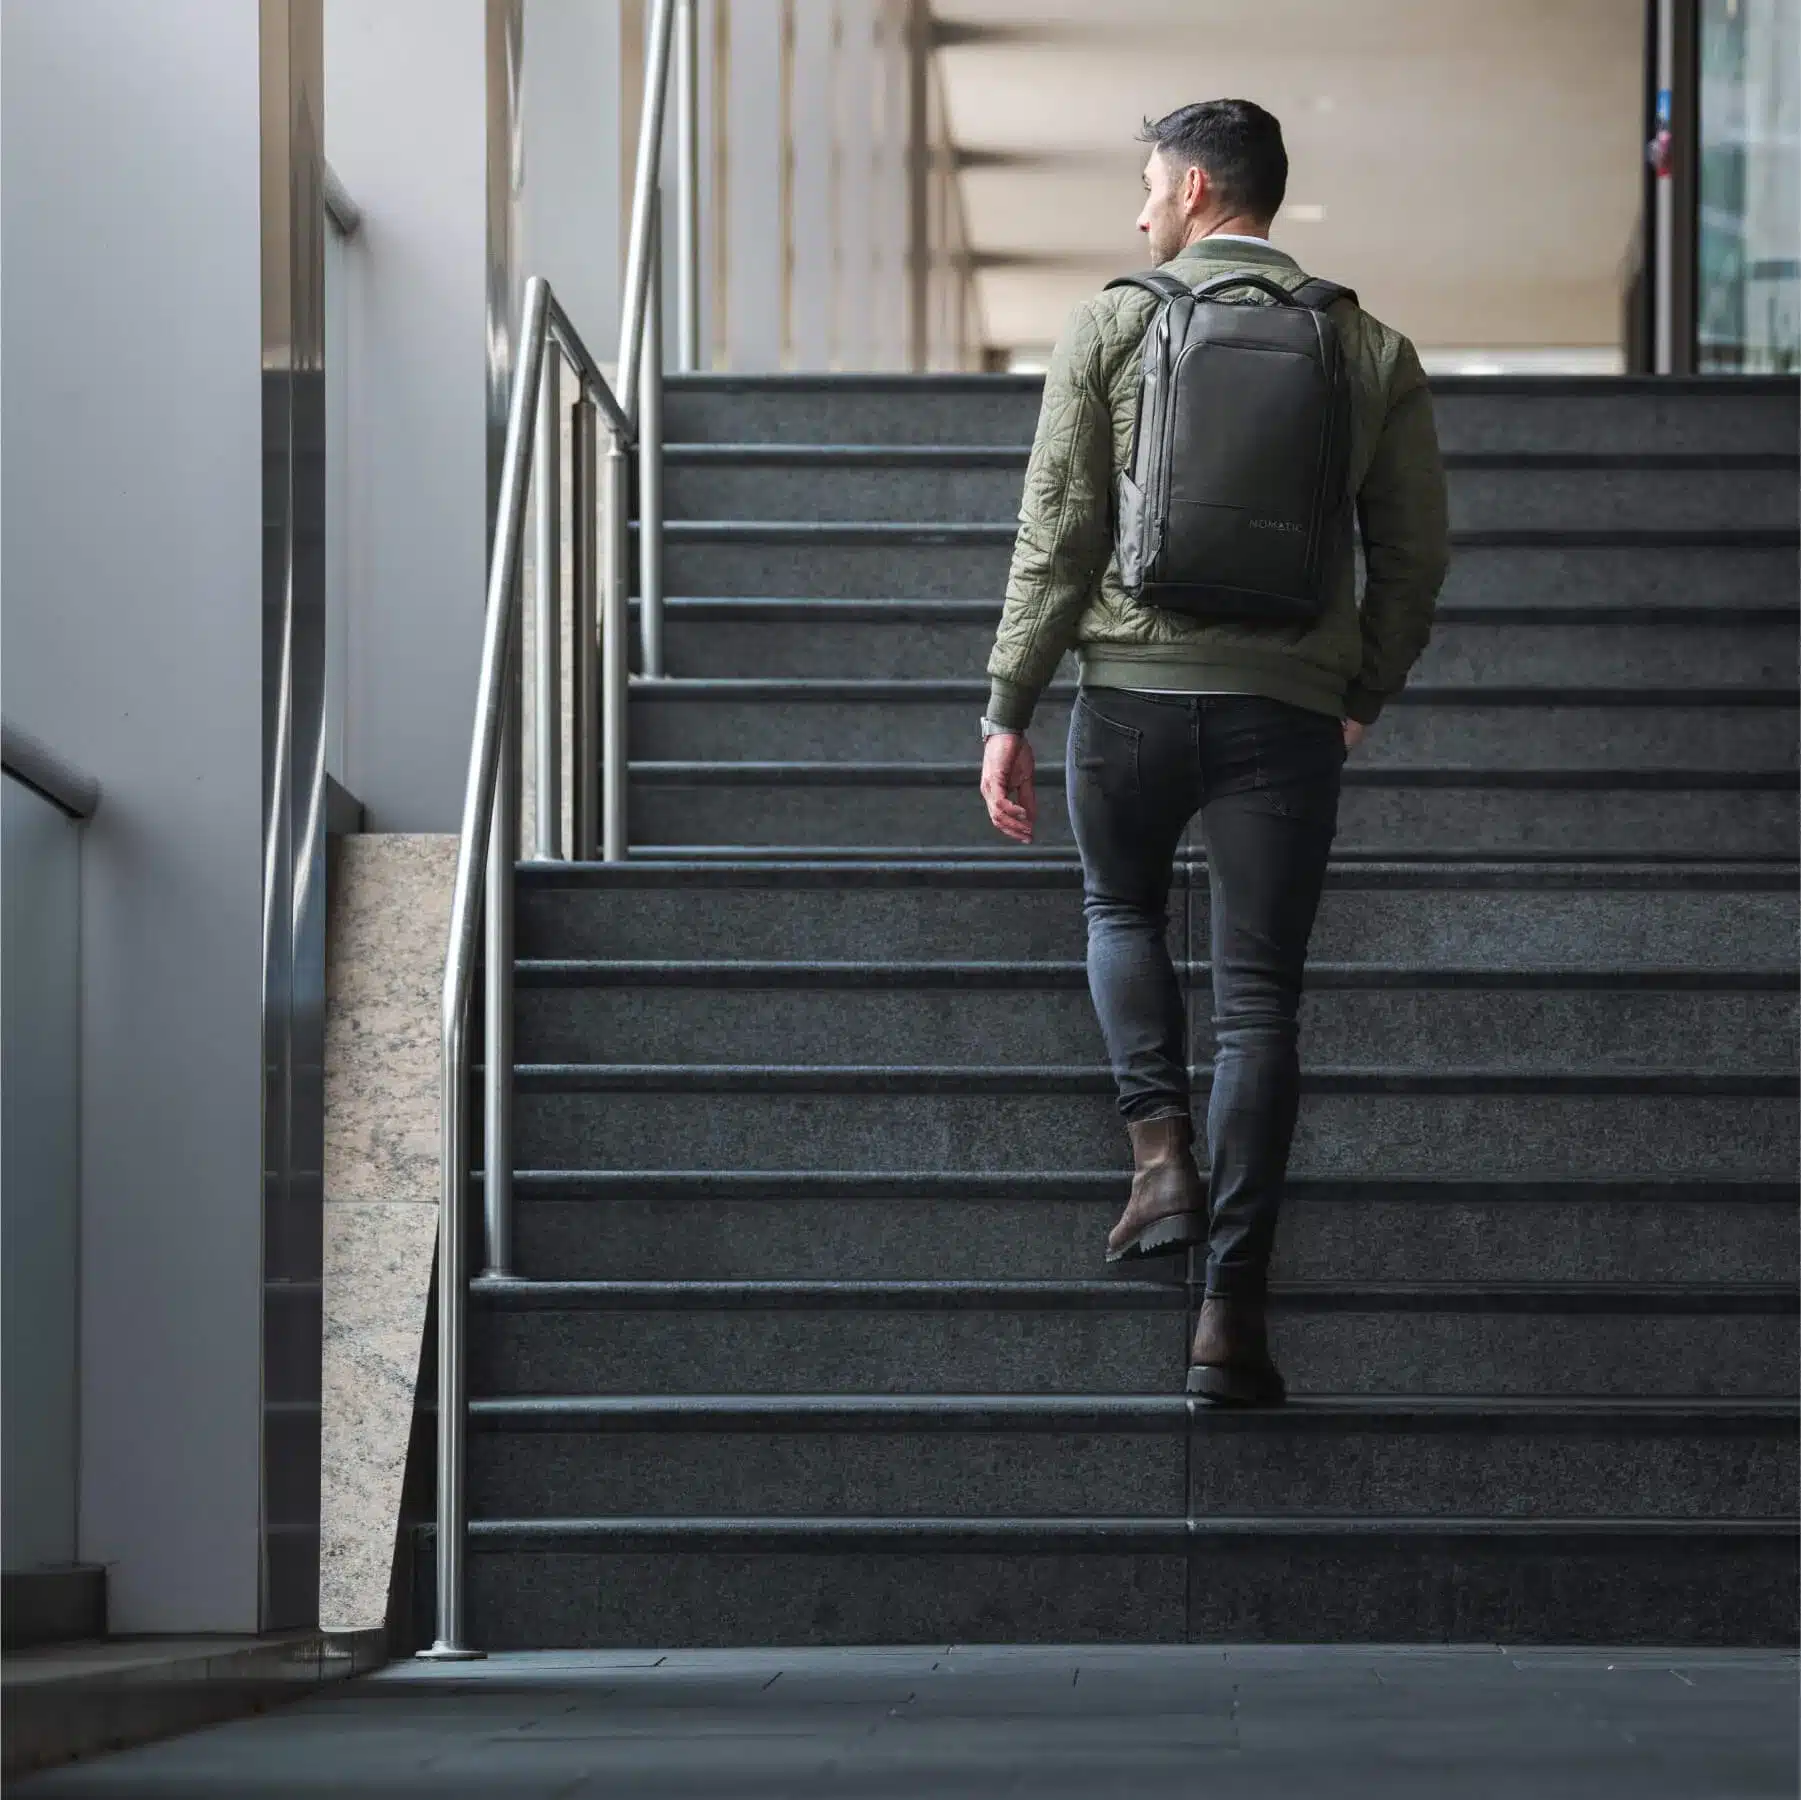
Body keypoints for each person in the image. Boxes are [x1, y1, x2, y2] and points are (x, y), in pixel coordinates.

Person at [978, 98, 1449, 1404]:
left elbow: (1060, 528)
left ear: (1192, 191)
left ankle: (1157, 1154)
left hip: (1128, 694)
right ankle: (1231, 1316)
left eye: (1145, 188)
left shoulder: (1113, 322)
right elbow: (1415, 558)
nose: (1137, 214)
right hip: (1284, 712)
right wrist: (1357, 686)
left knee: (1116, 906)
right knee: (1259, 1004)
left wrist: (1010, 702)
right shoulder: (1368, 344)